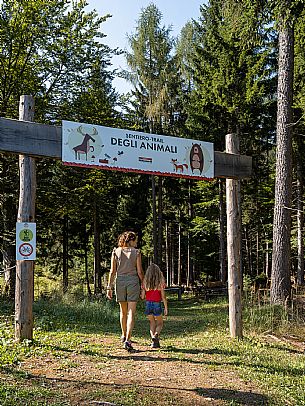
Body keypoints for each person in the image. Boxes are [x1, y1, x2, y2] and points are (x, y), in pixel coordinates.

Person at [106, 231, 144, 352]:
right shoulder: (136, 252)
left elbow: (112, 271)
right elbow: (140, 272)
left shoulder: (116, 251)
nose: (136, 243)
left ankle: (123, 335)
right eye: (135, 240)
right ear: (131, 240)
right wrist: (144, 284)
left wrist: (109, 287)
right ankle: (128, 339)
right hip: (133, 281)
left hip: (120, 281)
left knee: (123, 311)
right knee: (131, 312)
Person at [141, 263, 168, 349]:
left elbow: (142, 297)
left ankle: (153, 339)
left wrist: (143, 292)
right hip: (157, 304)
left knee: (152, 322)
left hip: (148, 303)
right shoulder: (161, 283)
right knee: (160, 323)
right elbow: (163, 297)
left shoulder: (145, 283)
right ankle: (156, 334)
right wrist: (166, 308)